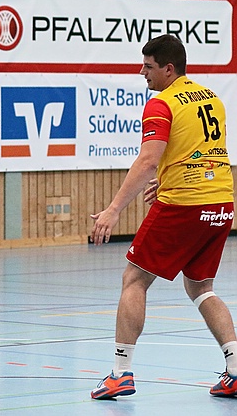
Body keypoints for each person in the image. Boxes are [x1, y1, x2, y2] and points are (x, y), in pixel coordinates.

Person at [90, 34, 236, 399]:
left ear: (169, 69)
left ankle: (120, 373)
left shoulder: (162, 103)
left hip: (184, 205)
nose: (143, 73)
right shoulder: (211, 97)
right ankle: (235, 370)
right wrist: (169, 180)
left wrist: (113, 210)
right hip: (221, 203)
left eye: (148, 67)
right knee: (201, 287)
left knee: (134, 279)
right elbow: (199, 152)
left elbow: (148, 160)